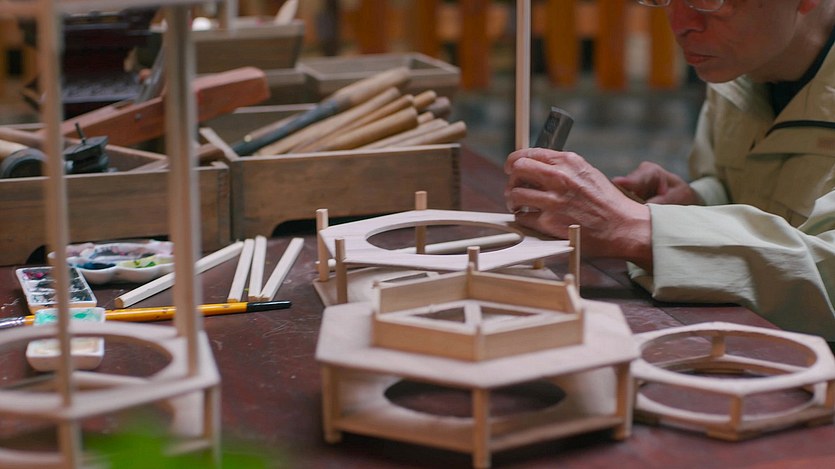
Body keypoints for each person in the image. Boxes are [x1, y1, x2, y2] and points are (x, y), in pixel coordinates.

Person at [504, 0, 835, 341]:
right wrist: (695, 201)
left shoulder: (739, 54)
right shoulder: (739, 66)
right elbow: (740, 192)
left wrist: (635, 228)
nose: (678, 24)